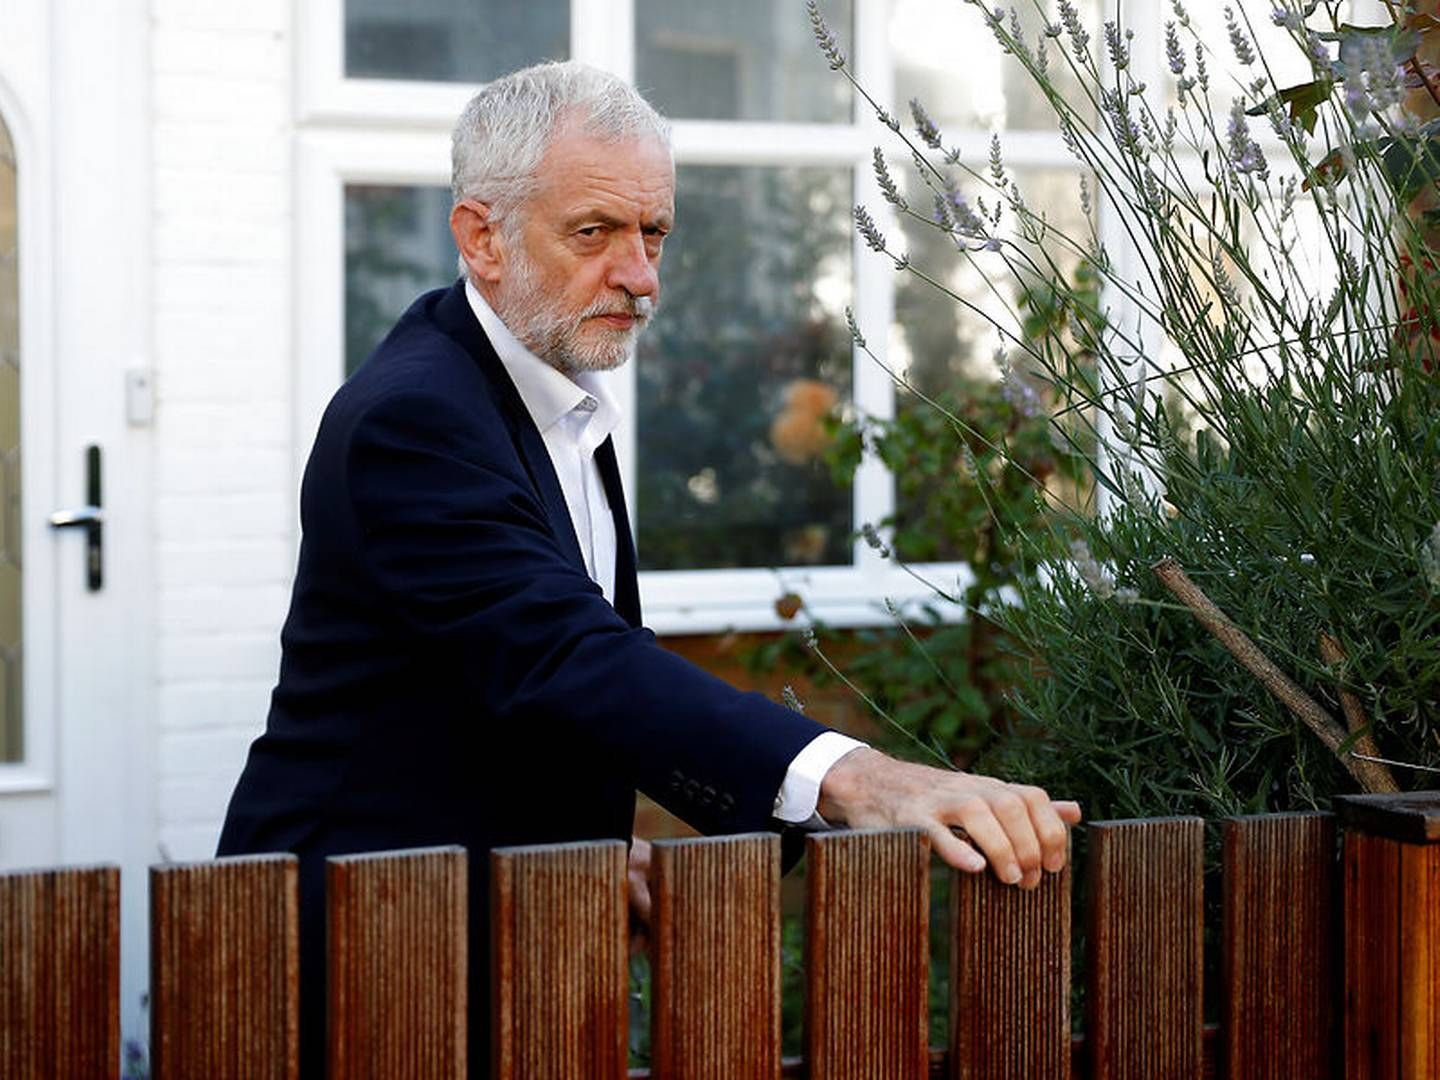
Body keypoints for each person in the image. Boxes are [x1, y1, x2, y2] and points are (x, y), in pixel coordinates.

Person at [217, 60, 1080, 1075]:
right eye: (594, 233)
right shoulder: (416, 418)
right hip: (353, 948)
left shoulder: (553, 389)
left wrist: (580, 834)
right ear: (481, 238)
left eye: (654, 232)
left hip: (485, 925)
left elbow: (514, 674)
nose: (641, 275)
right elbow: (560, 653)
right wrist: (863, 778)